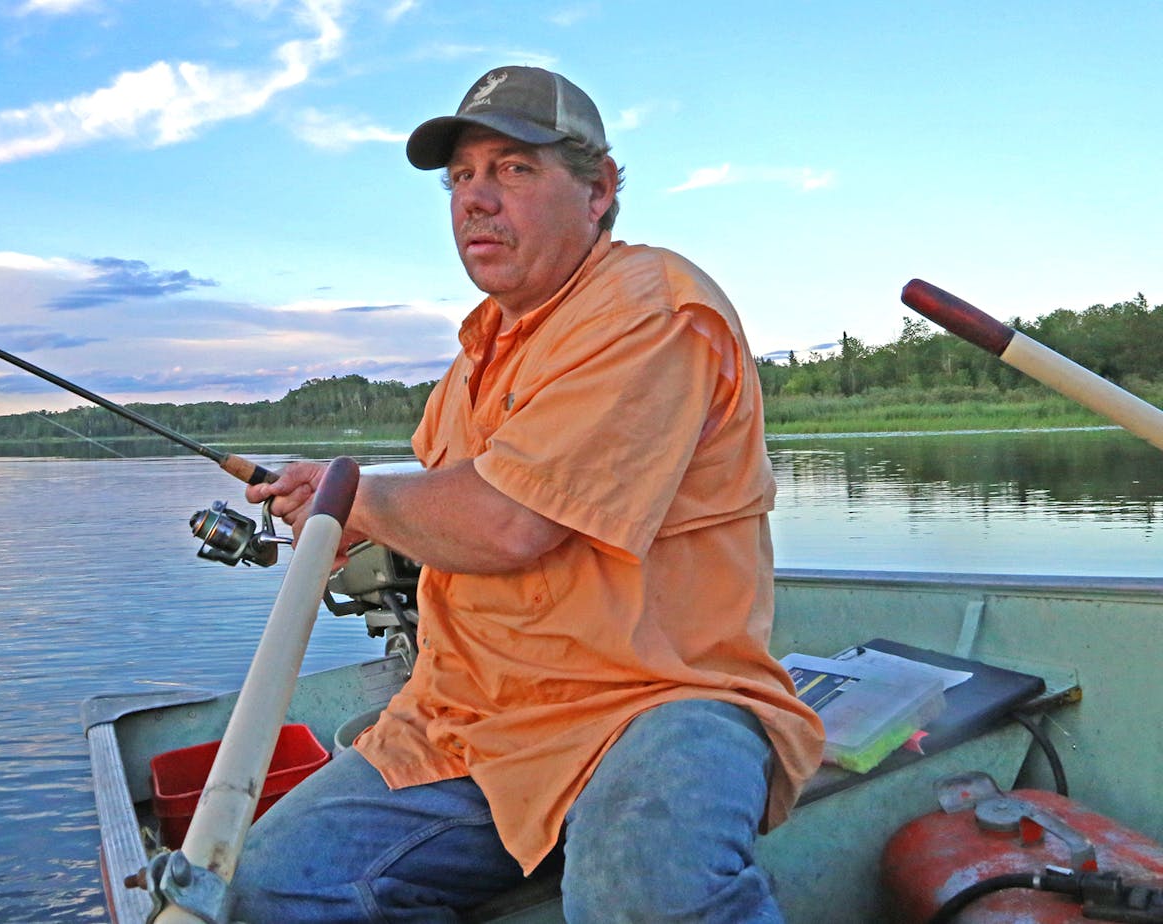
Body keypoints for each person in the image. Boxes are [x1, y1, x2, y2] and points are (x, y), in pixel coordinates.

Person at [232, 65, 824, 923]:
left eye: (513, 168)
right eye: (461, 177)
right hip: (472, 716)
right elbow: (438, 513)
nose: (475, 199)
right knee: (270, 886)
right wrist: (347, 520)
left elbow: (511, 523)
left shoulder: (650, 307)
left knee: (644, 893)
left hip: (657, 703)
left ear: (599, 191)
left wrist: (352, 494)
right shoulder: (470, 362)